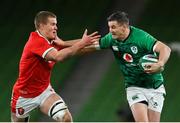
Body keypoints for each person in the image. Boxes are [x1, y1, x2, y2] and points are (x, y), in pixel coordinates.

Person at [79, 11, 171, 122]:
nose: (110, 31)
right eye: (109, 27)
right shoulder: (111, 39)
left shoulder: (141, 37)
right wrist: (62, 44)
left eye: (113, 27)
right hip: (134, 87)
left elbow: (165, 49)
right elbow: (85, 46)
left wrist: (160, 64)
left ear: (123, 27)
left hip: (155, 87)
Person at [11, 11, 100, 122]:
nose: (56, 27)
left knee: (66, 118)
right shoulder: (36, 41)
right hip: (23, 96)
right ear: (41, 26)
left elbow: (72, 48)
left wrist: (102, 44)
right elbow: (59, 57)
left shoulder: (50, 40)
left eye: (56, 24)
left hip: (44, 92)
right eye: (52, 24)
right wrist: (81, 43)